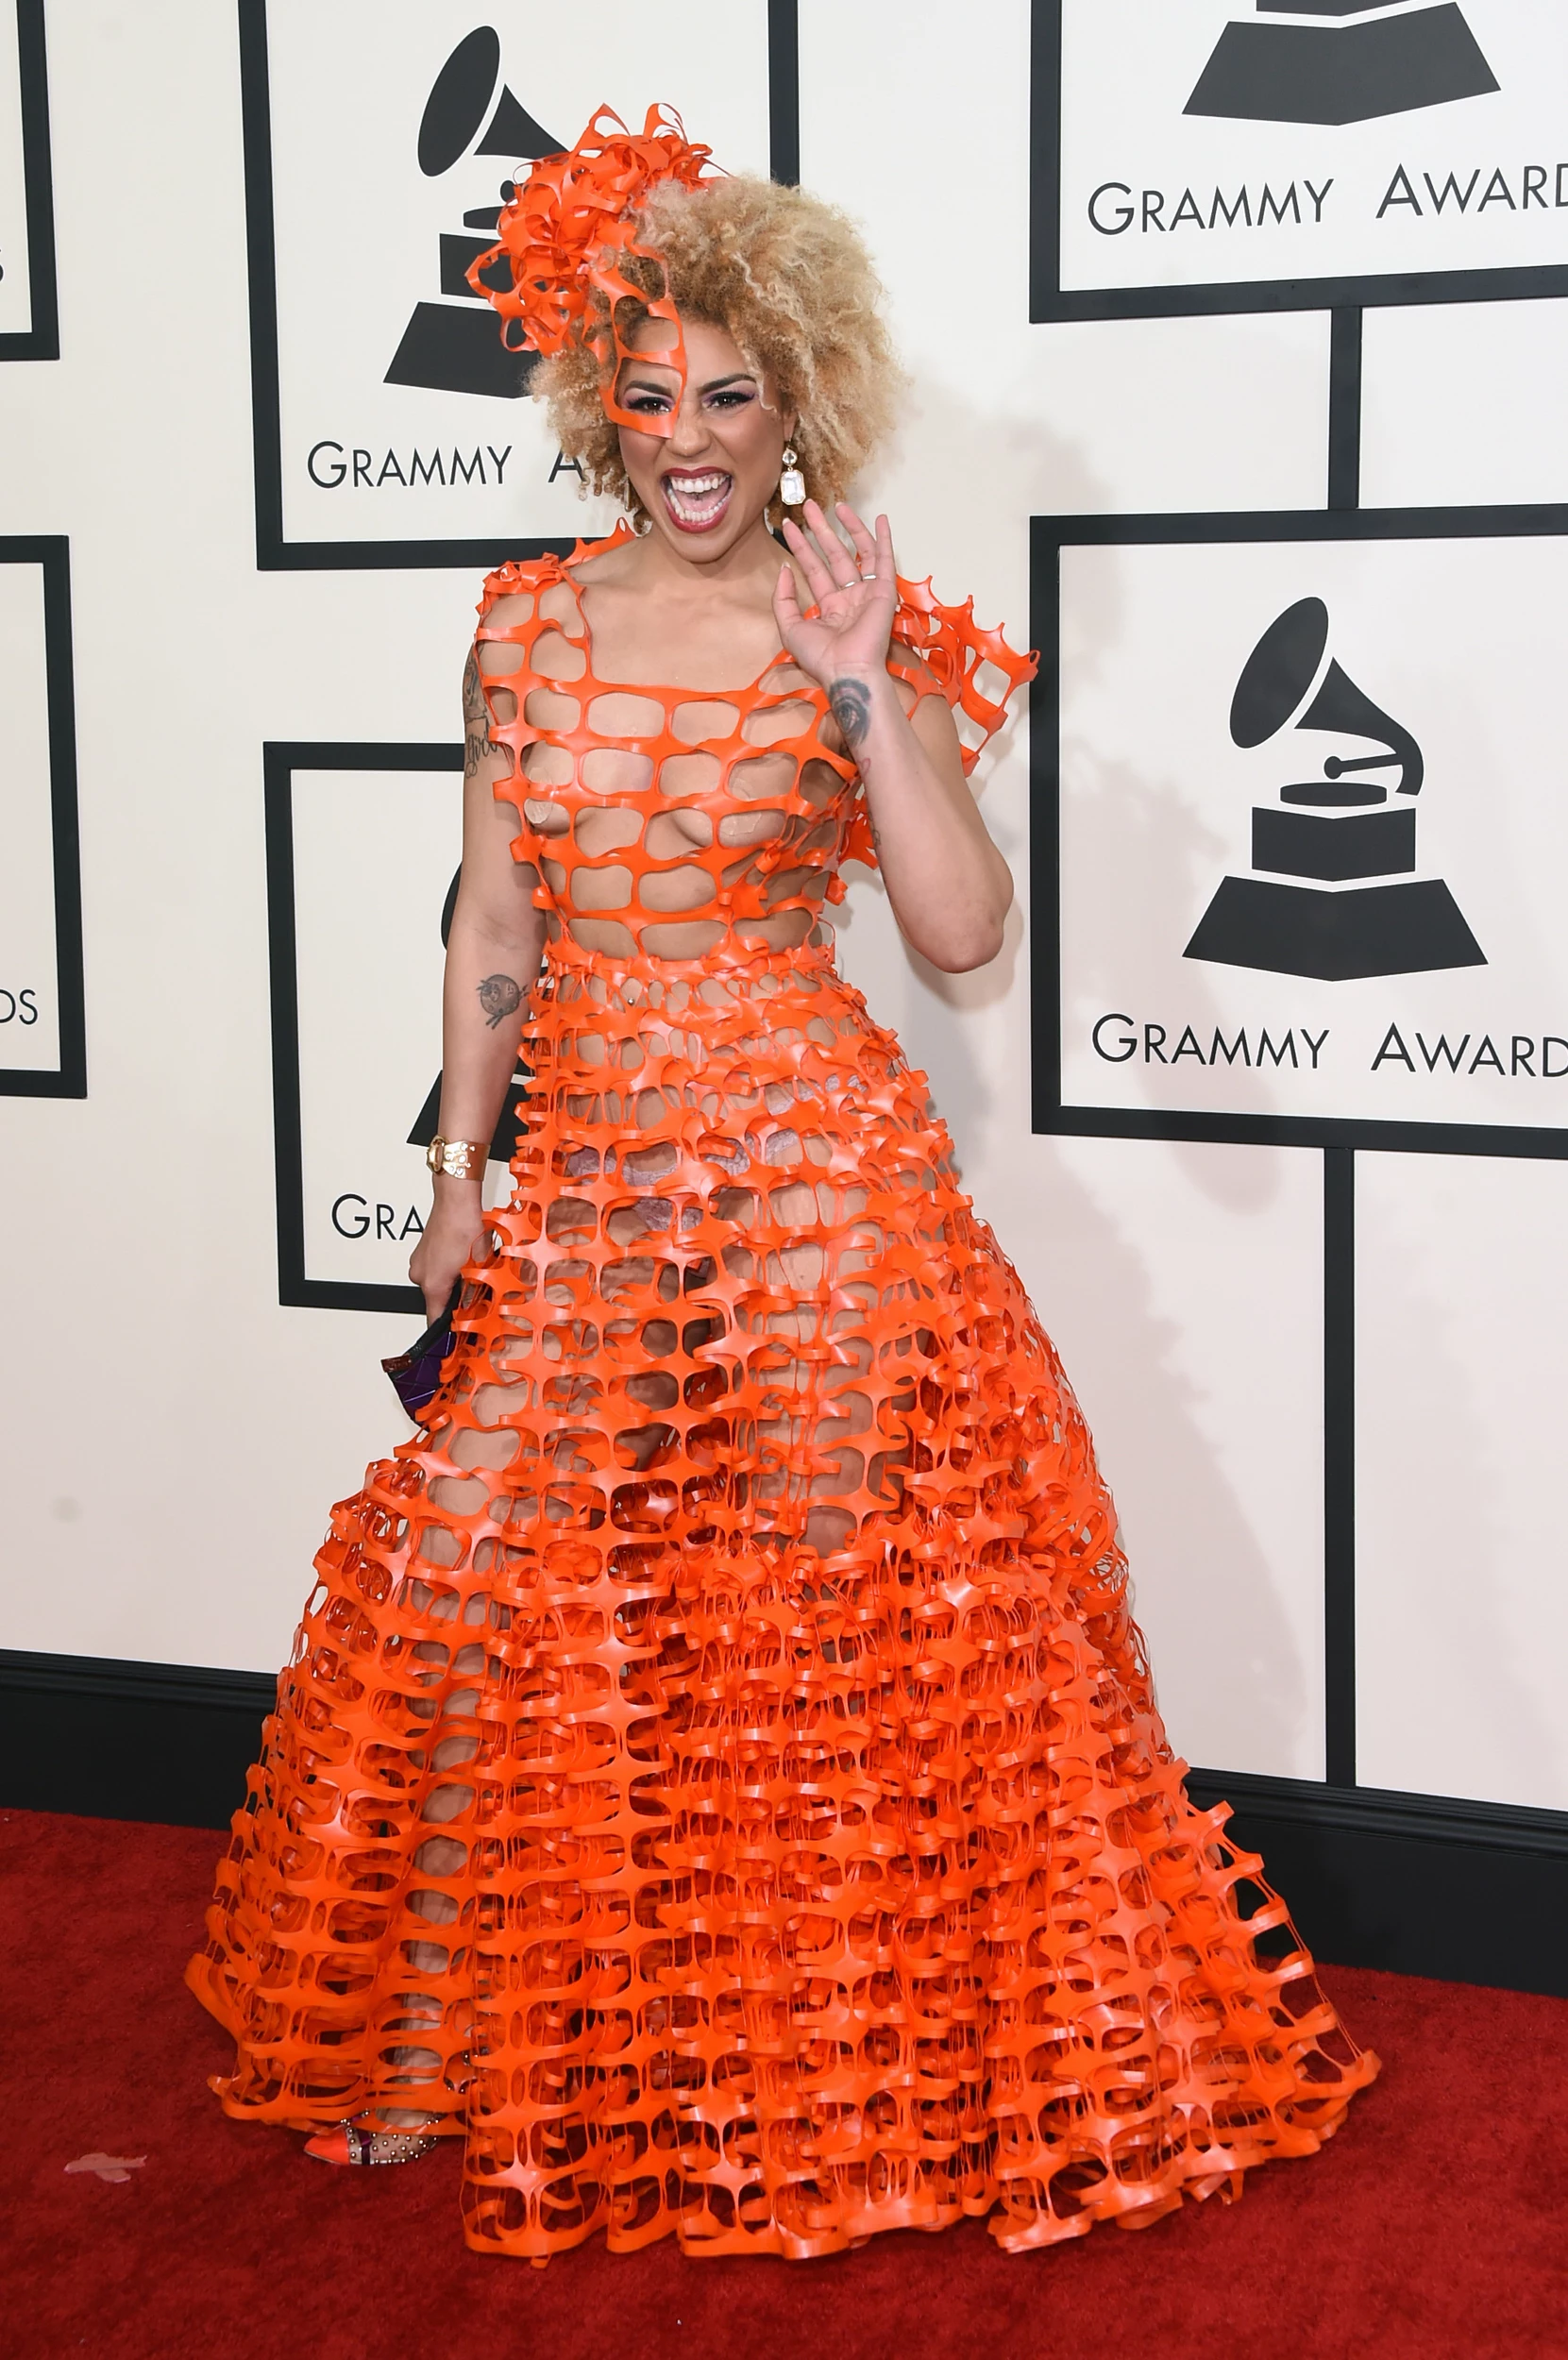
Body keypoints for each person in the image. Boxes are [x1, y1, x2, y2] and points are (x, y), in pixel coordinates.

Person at [188, 107, 1376, 2262]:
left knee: (831, 1600)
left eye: (728, 393)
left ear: (799, 399)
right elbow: (488, 931)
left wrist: (864, 702)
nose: (686, 436)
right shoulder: (523, 627)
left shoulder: (863, 618)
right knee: (474, 1571)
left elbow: (956, 933)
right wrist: (457, 1178)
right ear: (593, 406)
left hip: (813, 1165)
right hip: (590, 1168)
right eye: (646, 395)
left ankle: (841, 2069)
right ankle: (436, 2030)